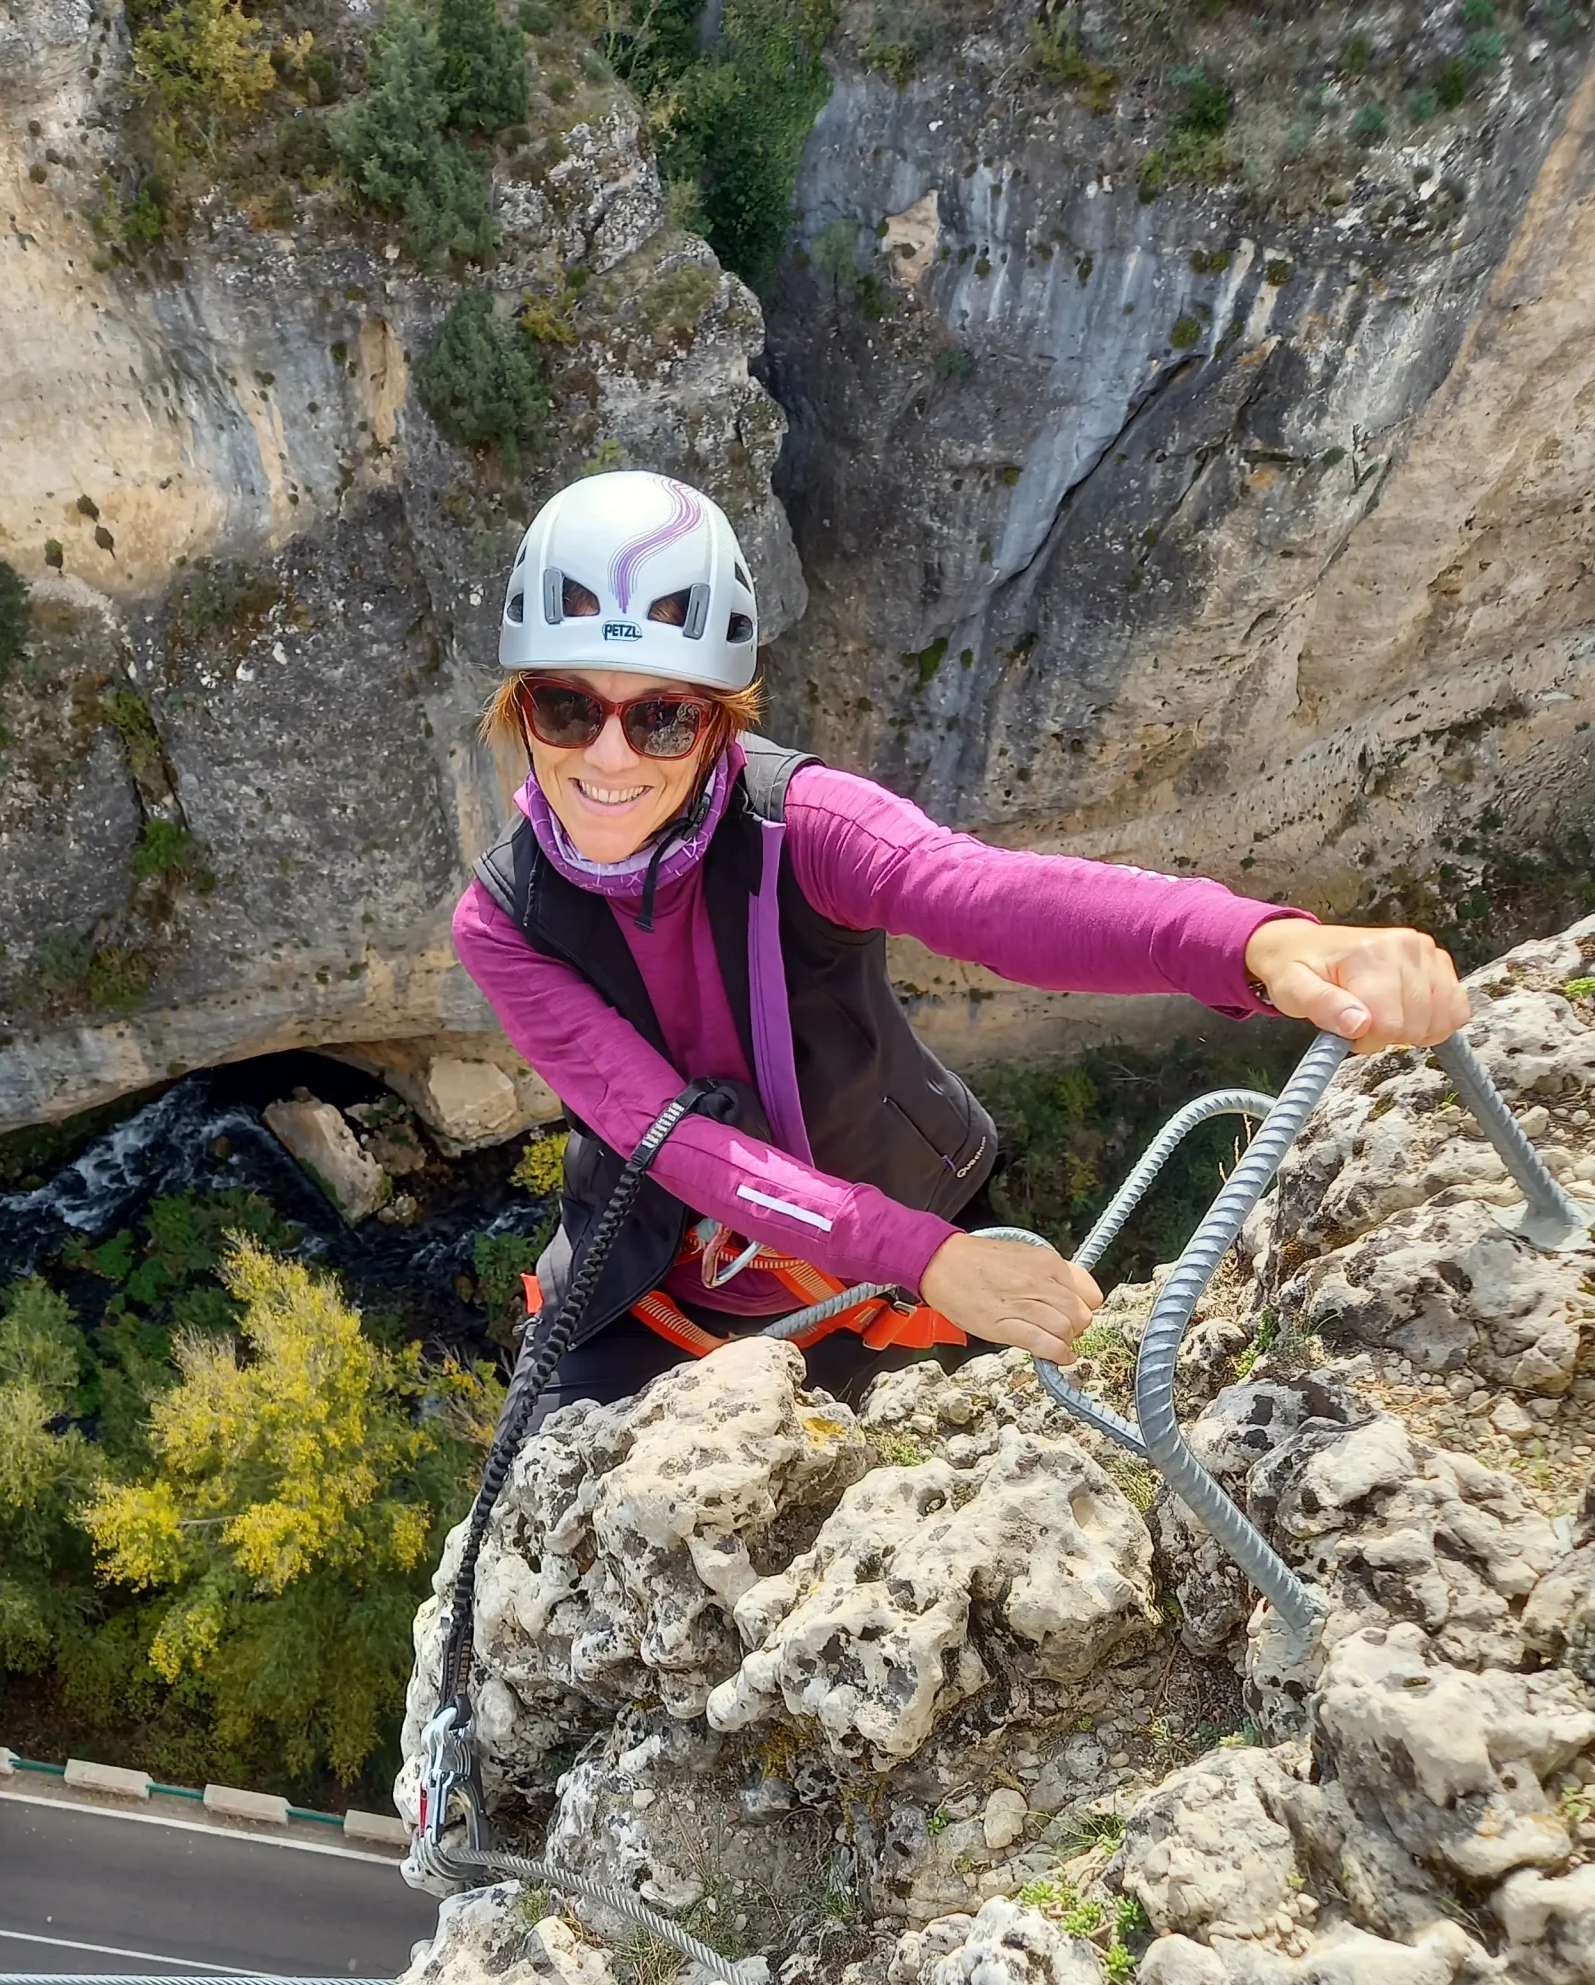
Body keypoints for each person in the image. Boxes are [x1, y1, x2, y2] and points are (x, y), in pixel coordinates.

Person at [454, 470, 1470, 1413]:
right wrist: (932, 1258)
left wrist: (1255, 945)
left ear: (718, 722)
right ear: (522, 708)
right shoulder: (507, 919)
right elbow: (671, 1141)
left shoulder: (799, 831)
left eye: (664, 717)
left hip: (880, 1268)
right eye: (569, 706)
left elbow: (989, 898)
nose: (611, 757)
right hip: (661, 1291)